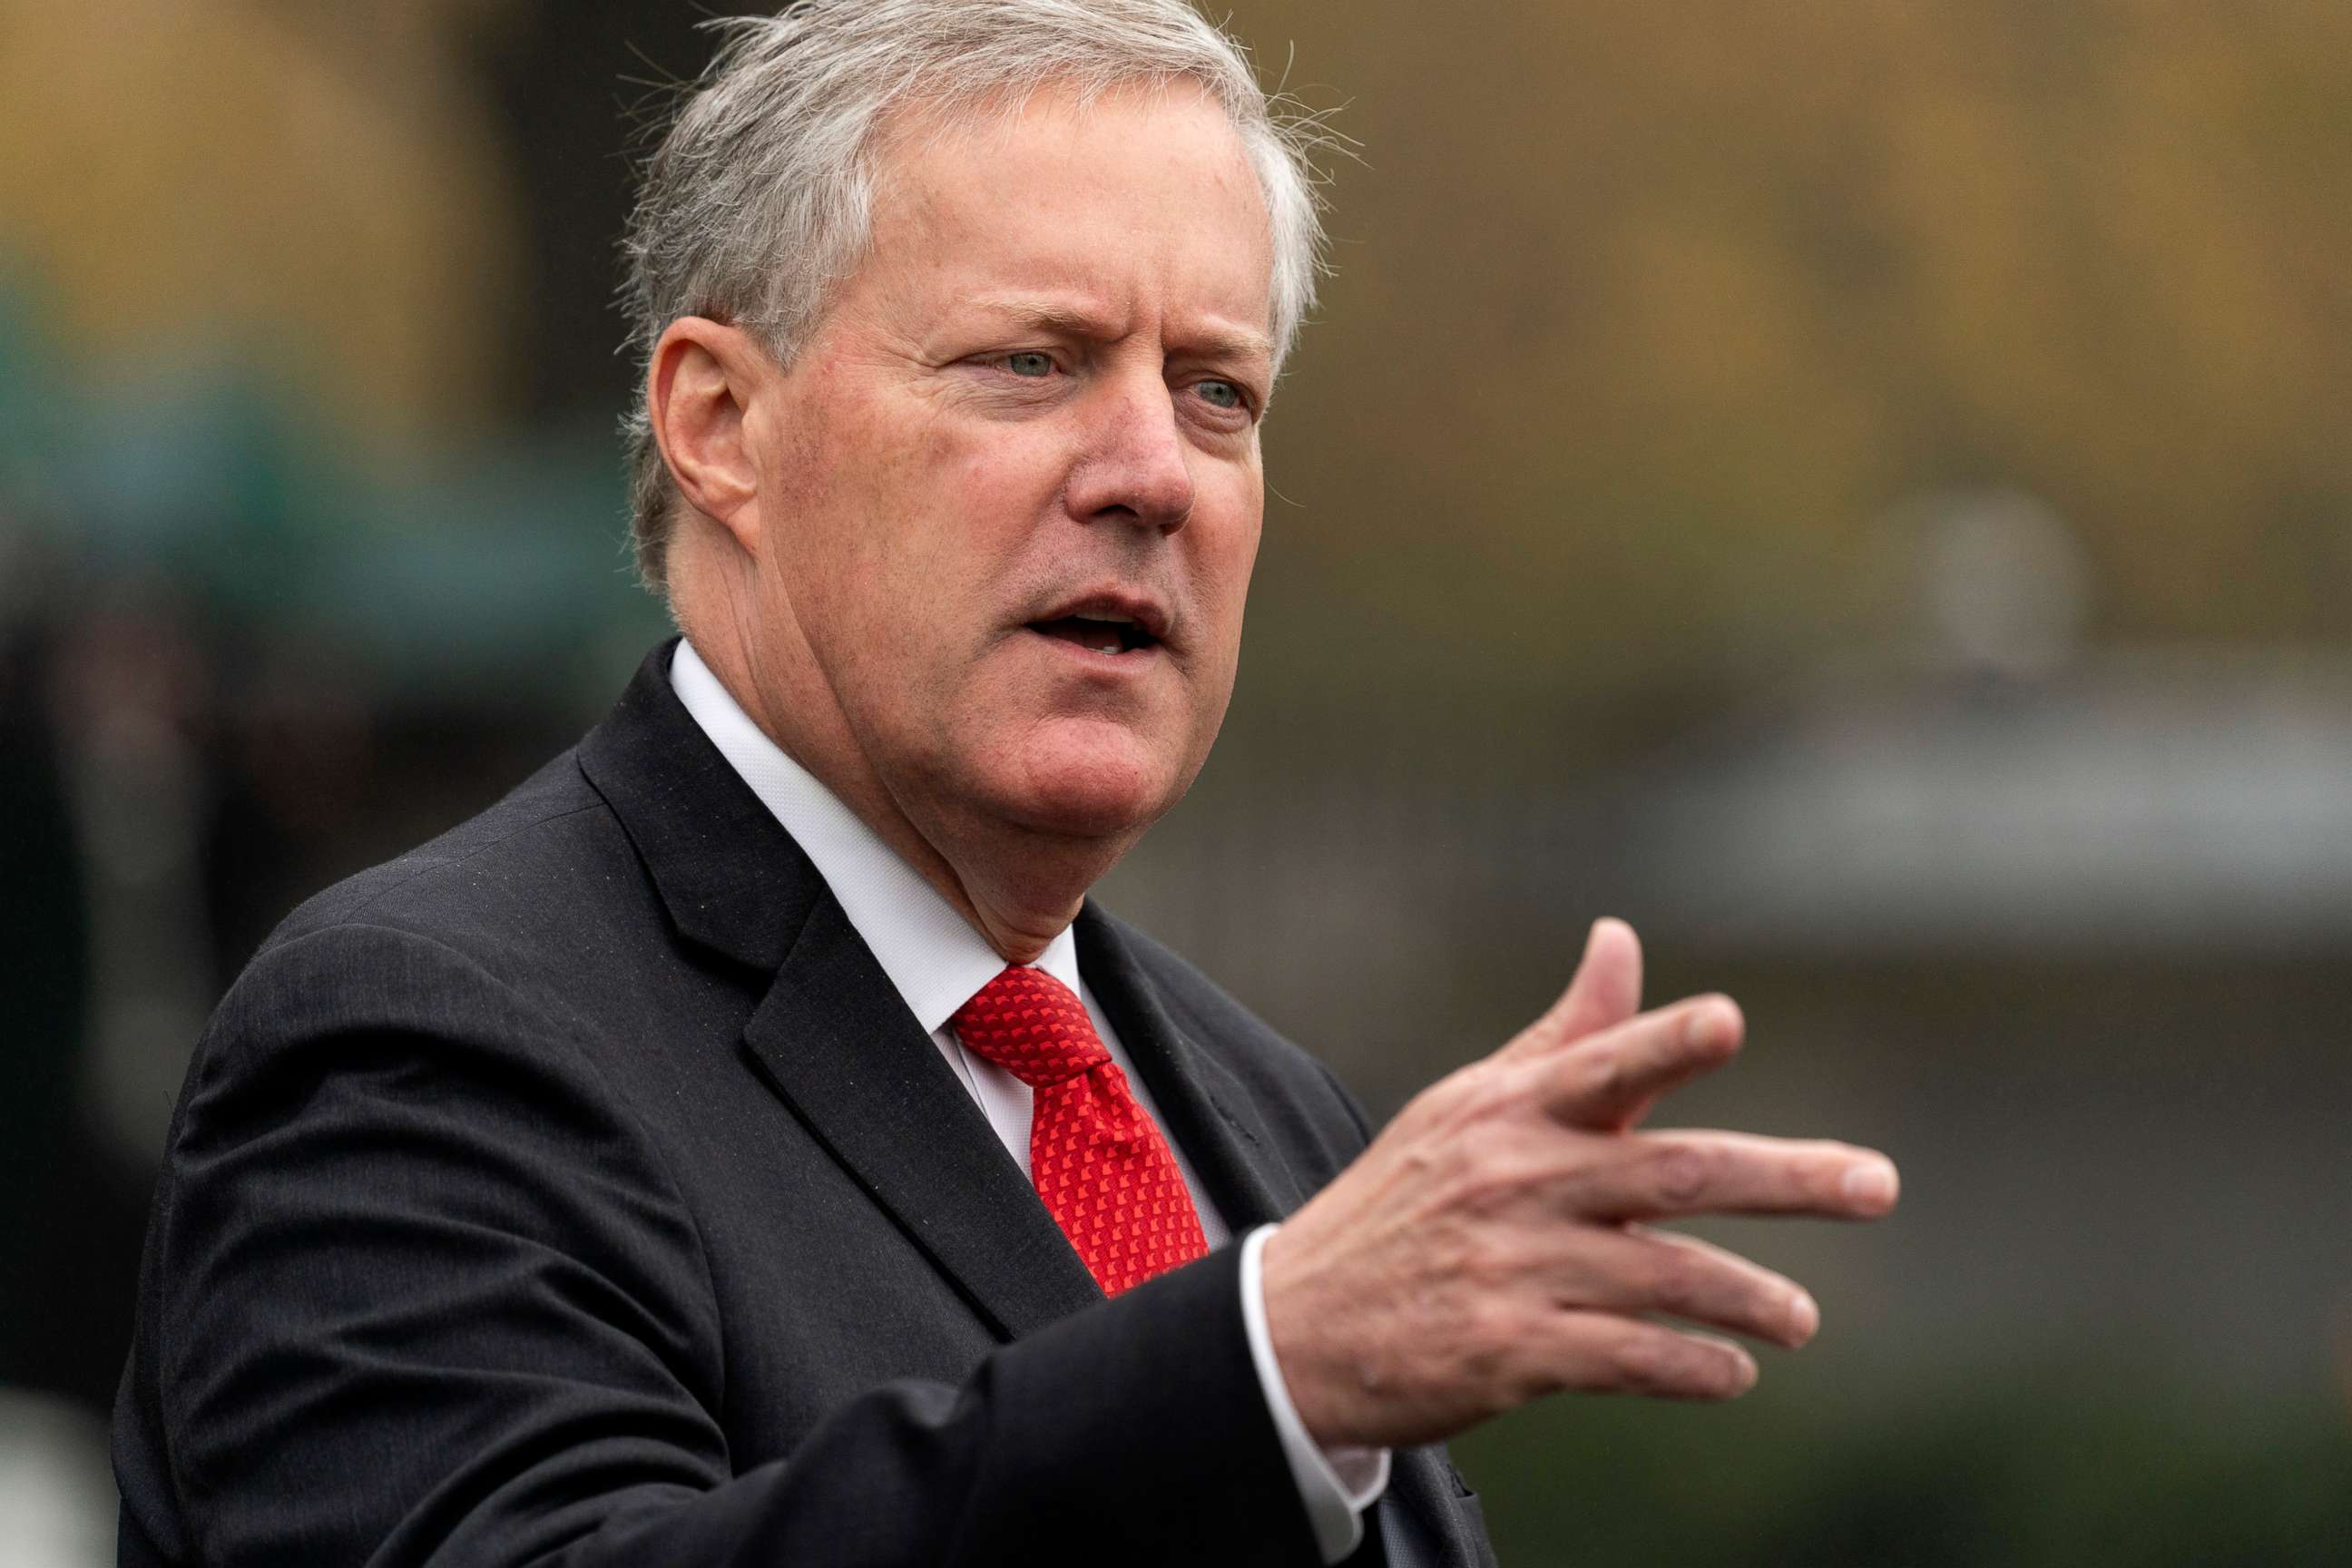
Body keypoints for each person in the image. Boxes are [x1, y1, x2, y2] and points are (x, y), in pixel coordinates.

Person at [112, 3, 1900, 1563]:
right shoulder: (425, 1038)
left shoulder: (1277, 1123)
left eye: (1218, 392)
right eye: (1033, 362)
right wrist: (1261, 1375)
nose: (1151, 474)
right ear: (724, 426)